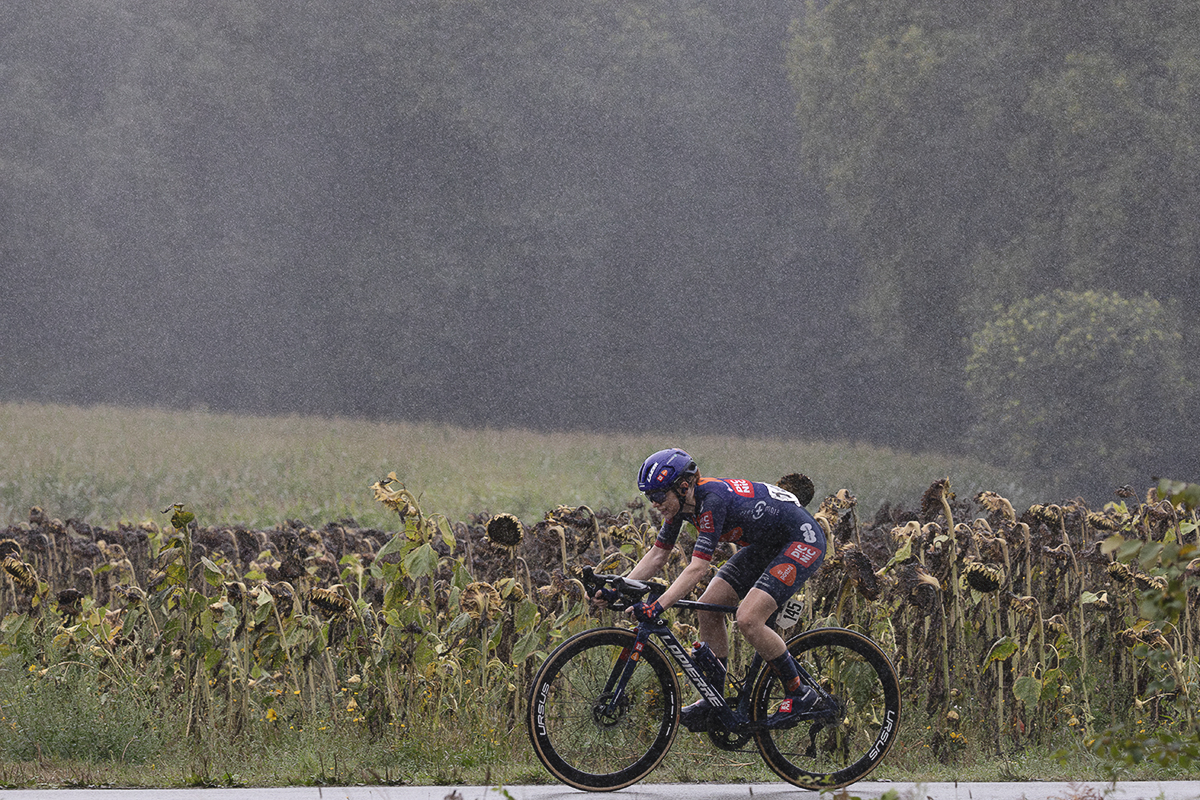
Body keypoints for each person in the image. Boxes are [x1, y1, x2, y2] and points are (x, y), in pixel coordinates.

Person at [593, 447, 828, 729]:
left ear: (682, 487)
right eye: (649, 497)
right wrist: (619, 588)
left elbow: (698, 568)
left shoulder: (711, 500)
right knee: (708, 608)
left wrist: (658, 605)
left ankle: (799, 692)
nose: (654, 503)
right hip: (768, 545)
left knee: (749, 618)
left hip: (801, 540)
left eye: (658, 496)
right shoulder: (681, 507)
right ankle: (713, 699)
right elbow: (658, 555)